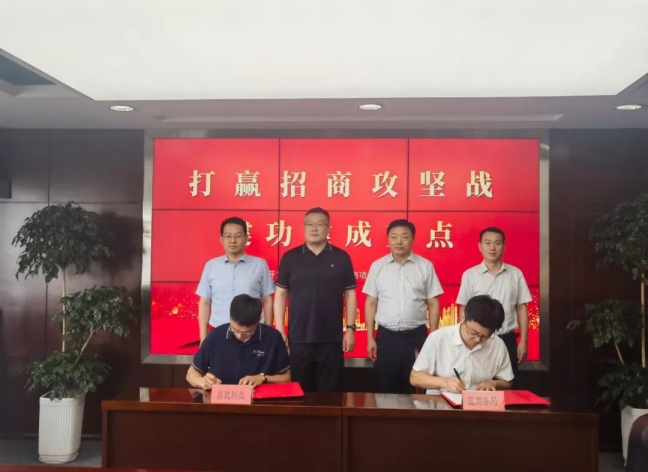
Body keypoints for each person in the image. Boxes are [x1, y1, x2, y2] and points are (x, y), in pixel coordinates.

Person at [274, 207, 357, 392]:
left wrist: (350, 329)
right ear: (303, 227)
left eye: (320, 224)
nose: (314, 228)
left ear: (328, 228)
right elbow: (280, 294)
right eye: (309, 224)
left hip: (331, 338)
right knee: (299, 391)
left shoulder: (341, 257)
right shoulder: (290, 258)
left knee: (331, 392)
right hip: (299, 337)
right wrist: (280, 329)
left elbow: (350, 294)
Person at [363, 219, 443, 393]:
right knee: (386, 386)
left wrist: (433, 339)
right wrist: (370, 338)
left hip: (416, 336)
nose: (399, 242)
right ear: (388, 239)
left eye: (404, 237)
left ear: (413, 239)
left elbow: (433, 302)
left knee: (415, 386)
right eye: (394, 237)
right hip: (386, 337)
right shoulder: (378, 266)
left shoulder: (425, 266)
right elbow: (371, 303)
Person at [455, 227, 533, 379]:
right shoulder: (470, 275)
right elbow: (464, 309)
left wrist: (524, 341)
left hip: (507, 339)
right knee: (478, 383)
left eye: (497, 243)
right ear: (480, 246)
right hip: (478, 340)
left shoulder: (515, 274)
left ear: (504, 246)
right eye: (488, 243)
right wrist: (464, 340)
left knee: (507, 383)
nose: (492, 248)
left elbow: (521, 308)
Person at [410, 295, 514, 394]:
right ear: (463, 317)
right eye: (473, 332)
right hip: (440, 401)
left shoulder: (497, 345)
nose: (477, 339)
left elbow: (507, 382)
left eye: (485, 336)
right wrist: (444, 382)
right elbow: (415, 377)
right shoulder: (438, 338)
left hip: (478, 403)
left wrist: (493, 383)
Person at [196, 216, 275, 344]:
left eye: (238, 236)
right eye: (228, 236)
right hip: (219, 331)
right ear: (221, 239)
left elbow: (267, 300)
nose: (233, 240)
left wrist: (267, 331)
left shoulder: (260, 265)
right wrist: (203, 337)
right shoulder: (211, 266)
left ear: (246, 238)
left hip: (251, 331)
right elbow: (205, 302)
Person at [186, 294, 290, 389]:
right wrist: (201, 381)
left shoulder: (273, 337)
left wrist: (263, 378)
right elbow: (191, 374)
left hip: (258, 400)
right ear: (230, 317)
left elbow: (286, 377)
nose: (240, 336)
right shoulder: (215, 336)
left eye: (248, 333)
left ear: (259, 319)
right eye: (235, 330)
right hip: (221, 399)